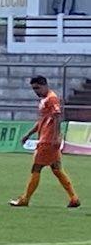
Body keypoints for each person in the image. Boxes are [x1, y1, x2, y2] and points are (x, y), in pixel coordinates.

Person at [10, 76, 80, 208]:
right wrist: (28, 134)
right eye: (33, 89)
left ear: (45, 85)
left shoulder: (52, 98)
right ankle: (74, 198)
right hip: (47, 139)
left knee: (36, 168)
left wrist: (56, 137)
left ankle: (25, 199)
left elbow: (57, 117)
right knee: (57, 170)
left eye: (37, 88)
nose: (36, 91)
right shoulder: (44, 100)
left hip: (48, 141)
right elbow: (42, 121)